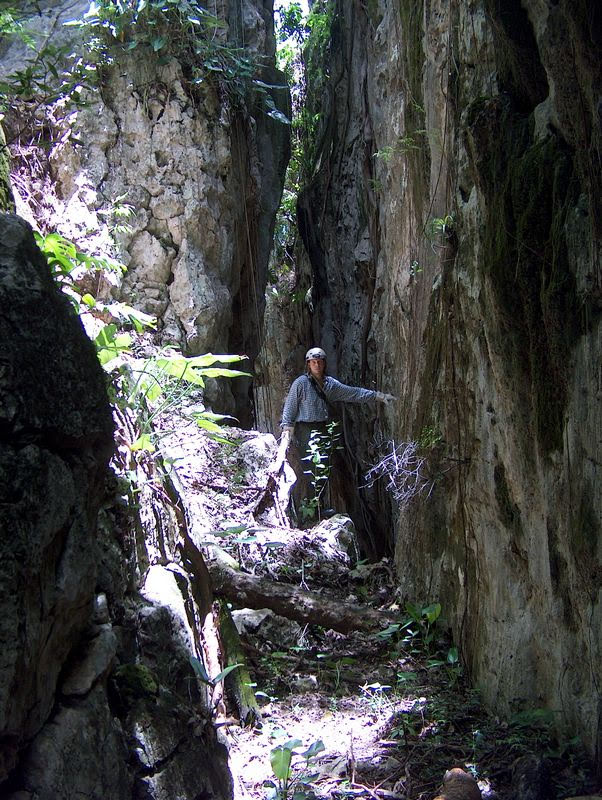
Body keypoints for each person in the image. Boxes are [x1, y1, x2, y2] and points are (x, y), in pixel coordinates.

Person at [280, 346, 394, 522]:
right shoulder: (300, 384)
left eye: (319, 362)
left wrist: (378, 396)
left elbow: (353, 393)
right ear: (308, 365)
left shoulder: (330, 385)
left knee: (323, 468)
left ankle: (318, 508)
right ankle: (308, 512)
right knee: (311, 469)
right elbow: (290, 408)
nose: (316, 365)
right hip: (305, 430)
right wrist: (287, 431)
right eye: (313, 362)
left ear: (324, 364)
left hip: (323, 428)